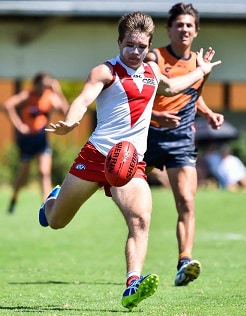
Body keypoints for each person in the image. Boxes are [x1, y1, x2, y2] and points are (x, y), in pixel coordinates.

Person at [38, 11, 221, 310]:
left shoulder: (151, 71)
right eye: (130, 46)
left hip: (130, 161)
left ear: (149, 46)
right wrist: (71, 122)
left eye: (142, 47)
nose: (136, 52)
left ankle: (132, 284)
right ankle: (51, 202)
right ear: (120, 41)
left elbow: (173, 87)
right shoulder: (105, 71)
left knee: (140, 220)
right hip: (96, 156)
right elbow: (83, 100)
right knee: (57, 221)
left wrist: (201, 71)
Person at [143, 3, 224, 287]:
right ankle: (61, 201)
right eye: (179, 24)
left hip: (180, 139)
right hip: (149, 136)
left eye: (189, 25)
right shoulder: (154, 57)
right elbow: (142, 95)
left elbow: (192, 94)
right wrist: (156, 115)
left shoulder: (200, 65)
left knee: (187, 201)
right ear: (169, 29)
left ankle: (184, 262)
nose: (184, 29)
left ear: (196, 31)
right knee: (116, 188)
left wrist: (208, 112)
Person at [3, 72, 69, 214]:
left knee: (44, 172)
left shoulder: (50, 97)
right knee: (23, 176)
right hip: (27, 140)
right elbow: (7, 105)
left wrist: (57, 91)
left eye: (46, 86)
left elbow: (65, 112)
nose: (43, 88)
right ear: (36, 84)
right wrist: (19, 125)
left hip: (41, 139)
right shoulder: (27, 95)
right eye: (42, 85)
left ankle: (45, 207)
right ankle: (14, 199)